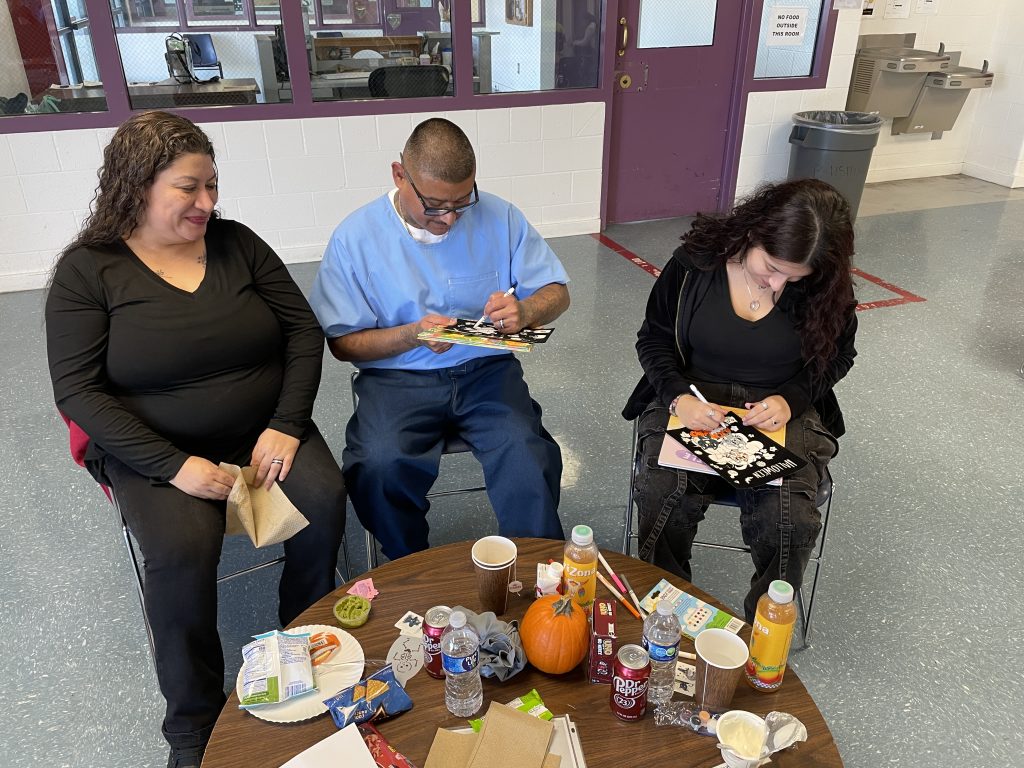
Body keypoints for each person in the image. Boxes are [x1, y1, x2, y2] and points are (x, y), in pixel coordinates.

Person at [45, 112, 346, 768]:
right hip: (155, 448)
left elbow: (302, 332)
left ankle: (302, 640)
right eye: (188, 188)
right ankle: (193, 724)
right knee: (184, 548)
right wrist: (175, 465)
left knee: (322, 499)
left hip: (261, 430)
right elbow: (79, 392)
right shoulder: (88, 272)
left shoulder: (237, 243)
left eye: (212, 185)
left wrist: (287, 424)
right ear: (136, 186)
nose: (207, 202)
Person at [309, 117, 569, 560]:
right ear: (399, 175)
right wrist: (411, 335)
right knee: (378, 465)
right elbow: (343, 343)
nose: (448, 219)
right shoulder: (356, 238)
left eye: (462, 203)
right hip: (397, 380)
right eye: (433, 205)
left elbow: (557, 291)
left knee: (528, 454)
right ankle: (408, 566)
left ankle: (535, 566)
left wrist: (526, 311)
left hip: (486, 372)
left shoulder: (501, 217)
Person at [622, 179, 857, 623]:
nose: (777, 283)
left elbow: (839, 356)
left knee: (789, 519)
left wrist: (791, 399)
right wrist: (676, 397)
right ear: (754, 232)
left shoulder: (826, 285)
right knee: (661, 492)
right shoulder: (694, 265)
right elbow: (654, 339)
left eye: (794, 277)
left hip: (777, 410)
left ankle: (762, 629)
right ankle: (664, 611)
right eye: (771, 267)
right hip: (693, 397)